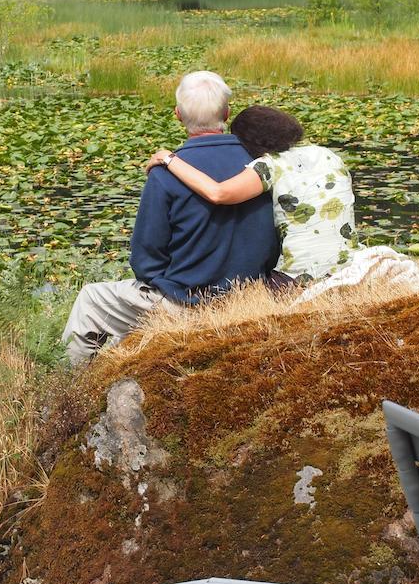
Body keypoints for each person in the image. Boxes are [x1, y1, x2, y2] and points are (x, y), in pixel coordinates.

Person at [62, 72, 279, 366]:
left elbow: (145, 259)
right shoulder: (262, 165)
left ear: (178, 115)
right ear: (227, 113)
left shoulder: (164, 175)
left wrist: (172, 286)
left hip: (186, 303)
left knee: (90, 300)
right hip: (251, 293)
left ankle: (74, 389)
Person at [146, 105, 355, 287]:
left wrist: (169, 159)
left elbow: (218, 193)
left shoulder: (270, 165)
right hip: (348, 266)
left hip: (298, 277)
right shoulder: (329, 156)